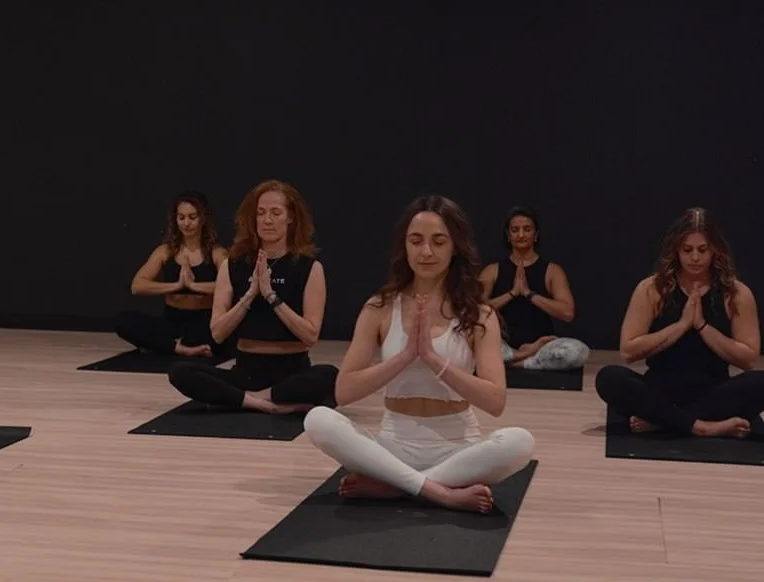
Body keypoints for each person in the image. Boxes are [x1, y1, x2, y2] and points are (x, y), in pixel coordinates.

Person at [304, 195, 534, 513]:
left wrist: (433, 360)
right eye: (416, 241)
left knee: (520, 443)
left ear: (455, 247)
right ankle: (439, 492)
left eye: (438, 242)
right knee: (318, 420)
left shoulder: (480, 314)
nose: (426, 252)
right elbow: (344, 392)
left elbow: (495, 402)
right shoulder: (379, 307)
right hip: (392, 445)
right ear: (405, 247)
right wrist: (405, 357)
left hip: (458, 449)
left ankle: (398, 486)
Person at [167, 180, 338, 413]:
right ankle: (263, 403)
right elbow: (217, 332)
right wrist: (249, 295)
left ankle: (250, 399)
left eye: (276, 213)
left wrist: (270, 296)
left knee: (330, 376)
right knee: (181, 372)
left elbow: (310, 335)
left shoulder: (310, 267)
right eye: (261, 213)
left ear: (290, 218)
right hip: (246, 372)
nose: (267, 220)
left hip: (292, 372)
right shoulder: (232, 265)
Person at [595, 207, 764, 438]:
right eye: (687, 250)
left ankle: (667, 422)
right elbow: (628, 351)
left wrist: (703, 327)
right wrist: (681, 326)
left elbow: (748, 359)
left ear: (715, 250)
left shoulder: (735, 293)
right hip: (661, 389)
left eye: (702, 250)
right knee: (609, 378)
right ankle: (701, 426)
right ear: (676, 250)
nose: (695, 257)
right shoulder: (652, 288)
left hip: (713, 390)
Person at [114, 191, 230, 358]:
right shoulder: (165, 251)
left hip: (204, 321)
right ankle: (179, 348)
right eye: (181, 217)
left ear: (203, 219)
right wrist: (177, 286)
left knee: (224, 334)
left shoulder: (217, 253)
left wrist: (193, 286)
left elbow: (232, 285)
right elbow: (137, 286)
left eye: (192, 217)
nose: (186, 223)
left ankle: (172, 345)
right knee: (123, 321)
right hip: (172, 320)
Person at [480, 207, 589, 371]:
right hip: (500, 343)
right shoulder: (492, 270)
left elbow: (567, 313)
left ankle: (517, 361)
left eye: (527, 229)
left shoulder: (552, 271)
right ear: (508, 236)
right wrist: (512, 294)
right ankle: (520, 359)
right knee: (466, 340)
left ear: (536, 234)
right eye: (515, 230)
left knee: (577, 351)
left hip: (539, 346)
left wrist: (529, 294)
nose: (521, 235)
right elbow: (473, 312)